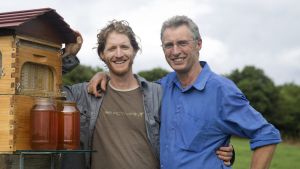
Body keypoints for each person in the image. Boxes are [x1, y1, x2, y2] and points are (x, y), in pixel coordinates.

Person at [88, 16, 281, 169]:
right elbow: (129, 85)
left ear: (198, 44)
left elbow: (266, 135)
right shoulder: (161, 87)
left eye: (182, 43)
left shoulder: (221, 91)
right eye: (168, 45)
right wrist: (105, 74)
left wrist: (228, 155)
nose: (175, 51)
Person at [61, 20, 233, 169]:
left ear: (135, 51)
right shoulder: (85, 94)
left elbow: (193, 130)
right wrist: (68, 56)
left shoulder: (158, 93)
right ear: (102, 54)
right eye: (112, 48)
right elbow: (44, 91)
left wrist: (224, 150)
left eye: (124, 47)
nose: (119, 54)